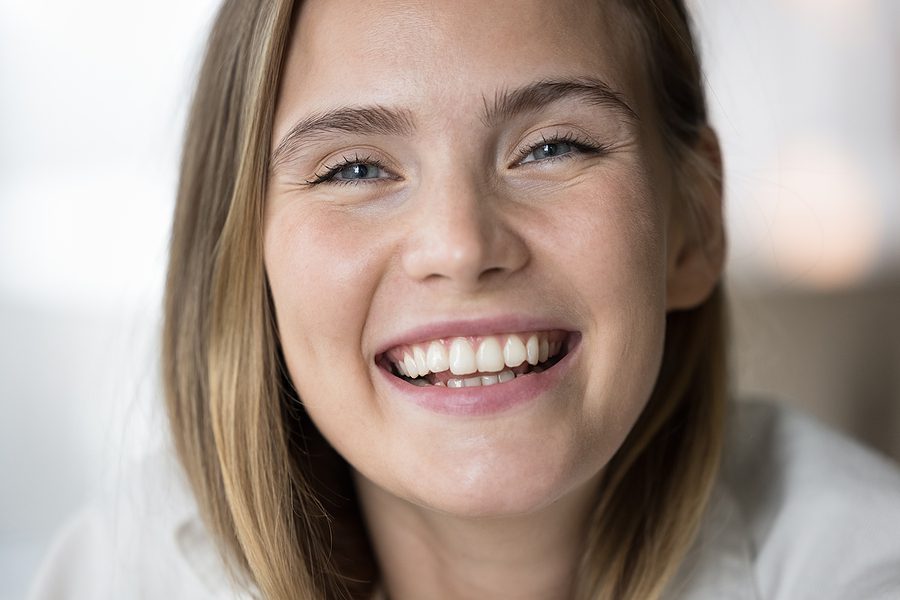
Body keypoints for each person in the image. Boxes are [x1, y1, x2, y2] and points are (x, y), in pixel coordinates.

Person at [29, 1, 900, 599]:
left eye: (553, 146)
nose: (460, 245)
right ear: (245, 258)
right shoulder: (118, 572)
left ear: (694, 224)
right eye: (356, 168)